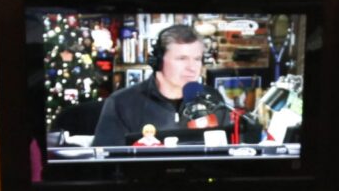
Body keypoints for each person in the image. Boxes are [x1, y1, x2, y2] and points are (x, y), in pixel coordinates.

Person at [91, 22, 257, 147]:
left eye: (197, 59)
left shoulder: (212, 99)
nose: (192, 68)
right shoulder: (121, 103)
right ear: (157, 61)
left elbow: (228, 155)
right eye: (182, 59)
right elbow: (104, 166)